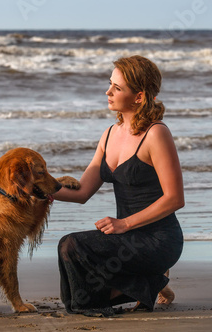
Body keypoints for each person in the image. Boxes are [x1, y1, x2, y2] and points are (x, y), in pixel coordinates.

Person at [53, 55, 184, 317]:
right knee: (73, 300)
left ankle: (152, 278)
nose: (108, 92)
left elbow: (174, 198)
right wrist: (41, 190)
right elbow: (82, 192)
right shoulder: (110, 134)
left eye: (117, 88)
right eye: (109, 84)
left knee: (71, 245)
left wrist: (124, 223)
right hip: (126, 241)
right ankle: (150, 282)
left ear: (139, 96)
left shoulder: (156, 134)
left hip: (159, 240)